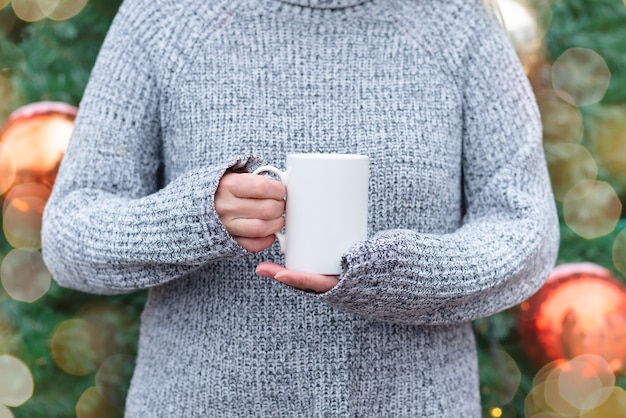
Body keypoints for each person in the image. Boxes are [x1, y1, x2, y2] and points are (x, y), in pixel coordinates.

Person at [41, 0, 560, 415]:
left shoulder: (457, 19)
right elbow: (70, 233)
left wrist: (404, 276)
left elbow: (525, 227)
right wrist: (198, 217)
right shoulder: (165, 17)